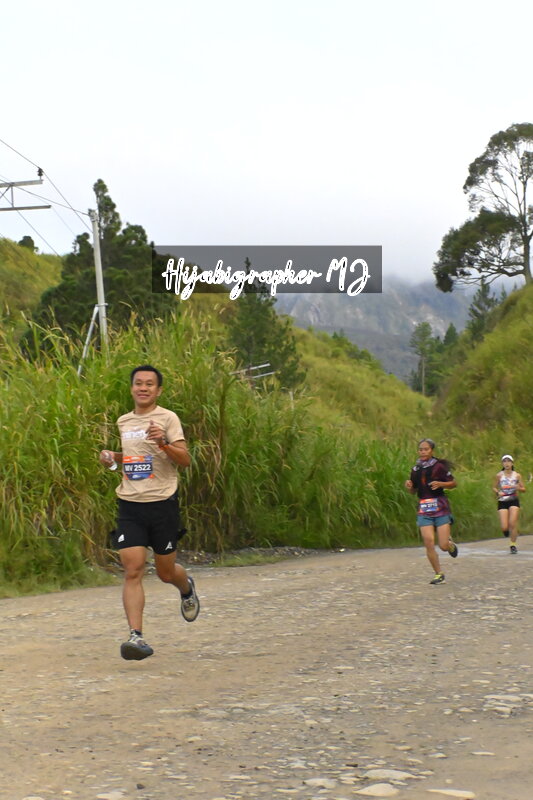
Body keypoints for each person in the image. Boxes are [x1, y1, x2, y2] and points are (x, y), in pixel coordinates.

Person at [100, 365, 200, 660]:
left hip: (162, 503)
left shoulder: (168, 418)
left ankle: (186, 587)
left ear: (158, 390)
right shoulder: (124, 421)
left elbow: (184, 460)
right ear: (132, 388)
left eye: (149, 384)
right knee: (133, 570)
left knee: (166, 572)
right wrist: (113, 458)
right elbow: (135, 459)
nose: (143, 388)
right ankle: (136, 637)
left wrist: (163, 443)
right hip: (130, 503)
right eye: (138, 383)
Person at [405, 438, 458, 585]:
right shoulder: (416, 469)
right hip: (424, 509)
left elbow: (453, 483)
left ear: (432, 451)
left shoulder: (439, 466)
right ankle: (438, 574)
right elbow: (413, 490)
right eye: (420, 449)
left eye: (426, 449)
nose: (423, 452)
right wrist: (409, 486)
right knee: (428, 542)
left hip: (440, 508)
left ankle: (449, 544)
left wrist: (441, 484)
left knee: (443, 546)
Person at [492, 454, 526, 554]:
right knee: (504, 526)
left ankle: (513, 545)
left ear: (512, 463)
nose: (506, 463)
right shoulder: (499, 475)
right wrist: (497, 492)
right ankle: (506, 531)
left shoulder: (517, 475)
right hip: (502, 501)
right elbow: (494, 487)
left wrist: (518, 488)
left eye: (508, 461)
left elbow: (523, 489)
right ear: (502, 464)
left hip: (513, 500)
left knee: (512, 523)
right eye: (504, 461)